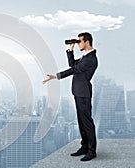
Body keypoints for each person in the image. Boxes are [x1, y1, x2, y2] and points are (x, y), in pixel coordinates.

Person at [43, 32, 98, 161]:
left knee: (87, 122)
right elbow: (72, 64)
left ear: (87, 42)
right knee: (81, 121)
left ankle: (92, 150)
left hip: (84, 94)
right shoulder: (85, 57)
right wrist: (70, 50)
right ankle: (84, 146)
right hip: (79, 92)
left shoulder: (90, 59)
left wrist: (56, 76)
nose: (79, 43)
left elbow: (73, 70)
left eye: (80, 41)